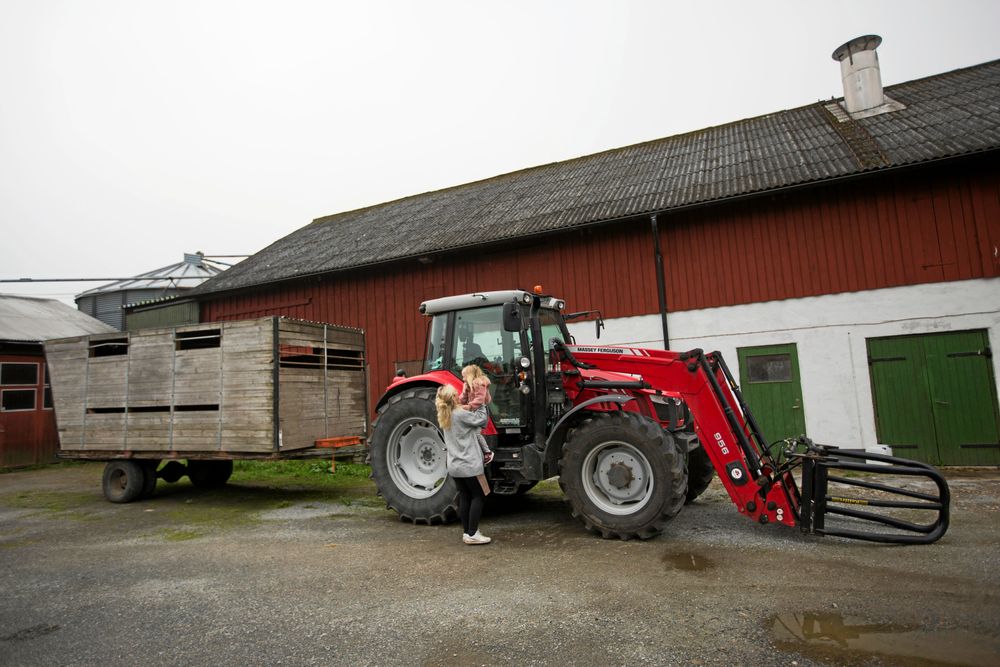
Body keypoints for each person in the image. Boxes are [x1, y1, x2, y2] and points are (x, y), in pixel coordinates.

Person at [436, 384, 493, 545]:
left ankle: (467, 532)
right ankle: (473, 533)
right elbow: (481, 420)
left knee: (465, 496)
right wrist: (481, 401)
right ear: (453, 398)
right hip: (469, 465)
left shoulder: (444, 415)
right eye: (455, 395)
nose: (458, 396)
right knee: (479, 496)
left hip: (455, 466)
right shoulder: (459, 414)